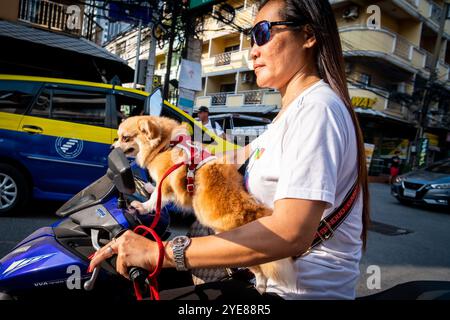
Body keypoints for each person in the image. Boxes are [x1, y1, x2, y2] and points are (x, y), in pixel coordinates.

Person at [89, 0, 370, 300]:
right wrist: (181, 161)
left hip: (296, 294)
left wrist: (161, 252)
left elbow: (291, 232)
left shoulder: (317, 110)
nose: (253, 50)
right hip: (264, 283)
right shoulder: (287, 117)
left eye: (263, 33)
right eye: (251, 38)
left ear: (308, 35)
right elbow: (229, 158)